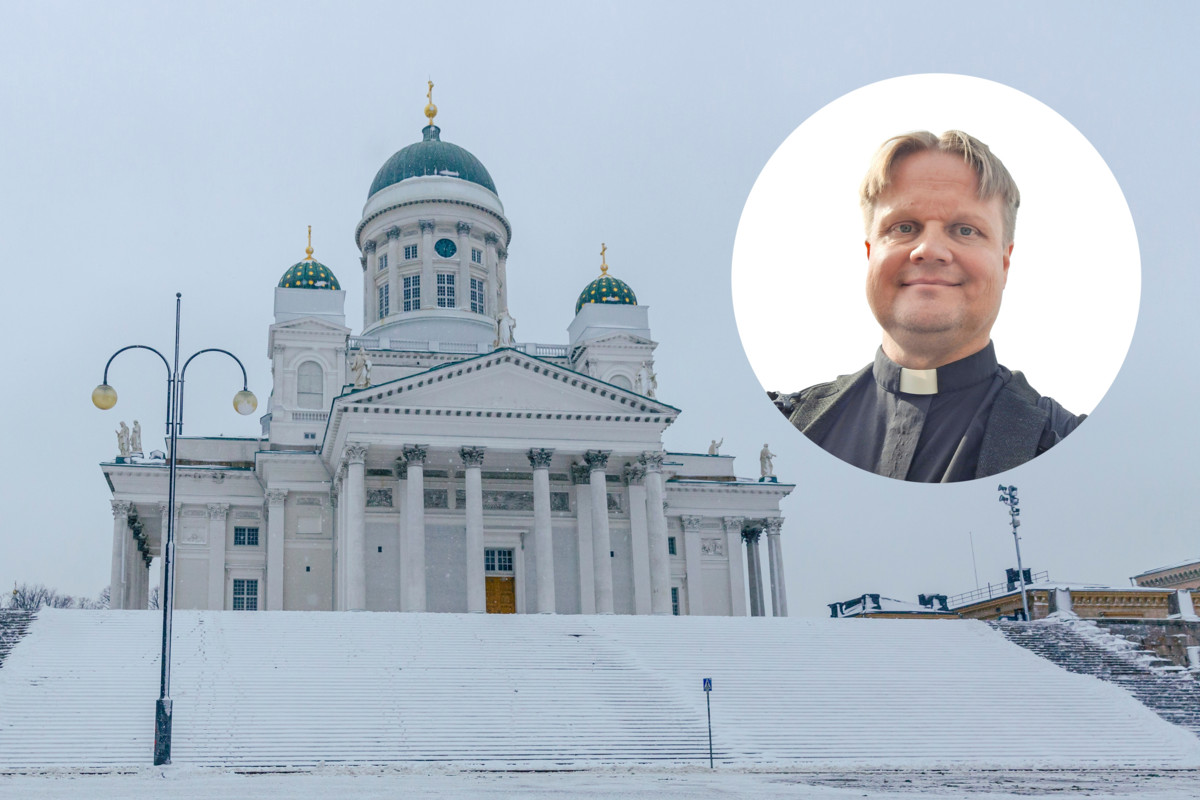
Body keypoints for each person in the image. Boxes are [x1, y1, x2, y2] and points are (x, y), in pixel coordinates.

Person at [774, 130, 1083, 482]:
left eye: (965, 230)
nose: (929, 249)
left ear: (1004, 263)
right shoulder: (788, 426)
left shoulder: (1069, 447)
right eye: (904, 227)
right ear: (870, 253)